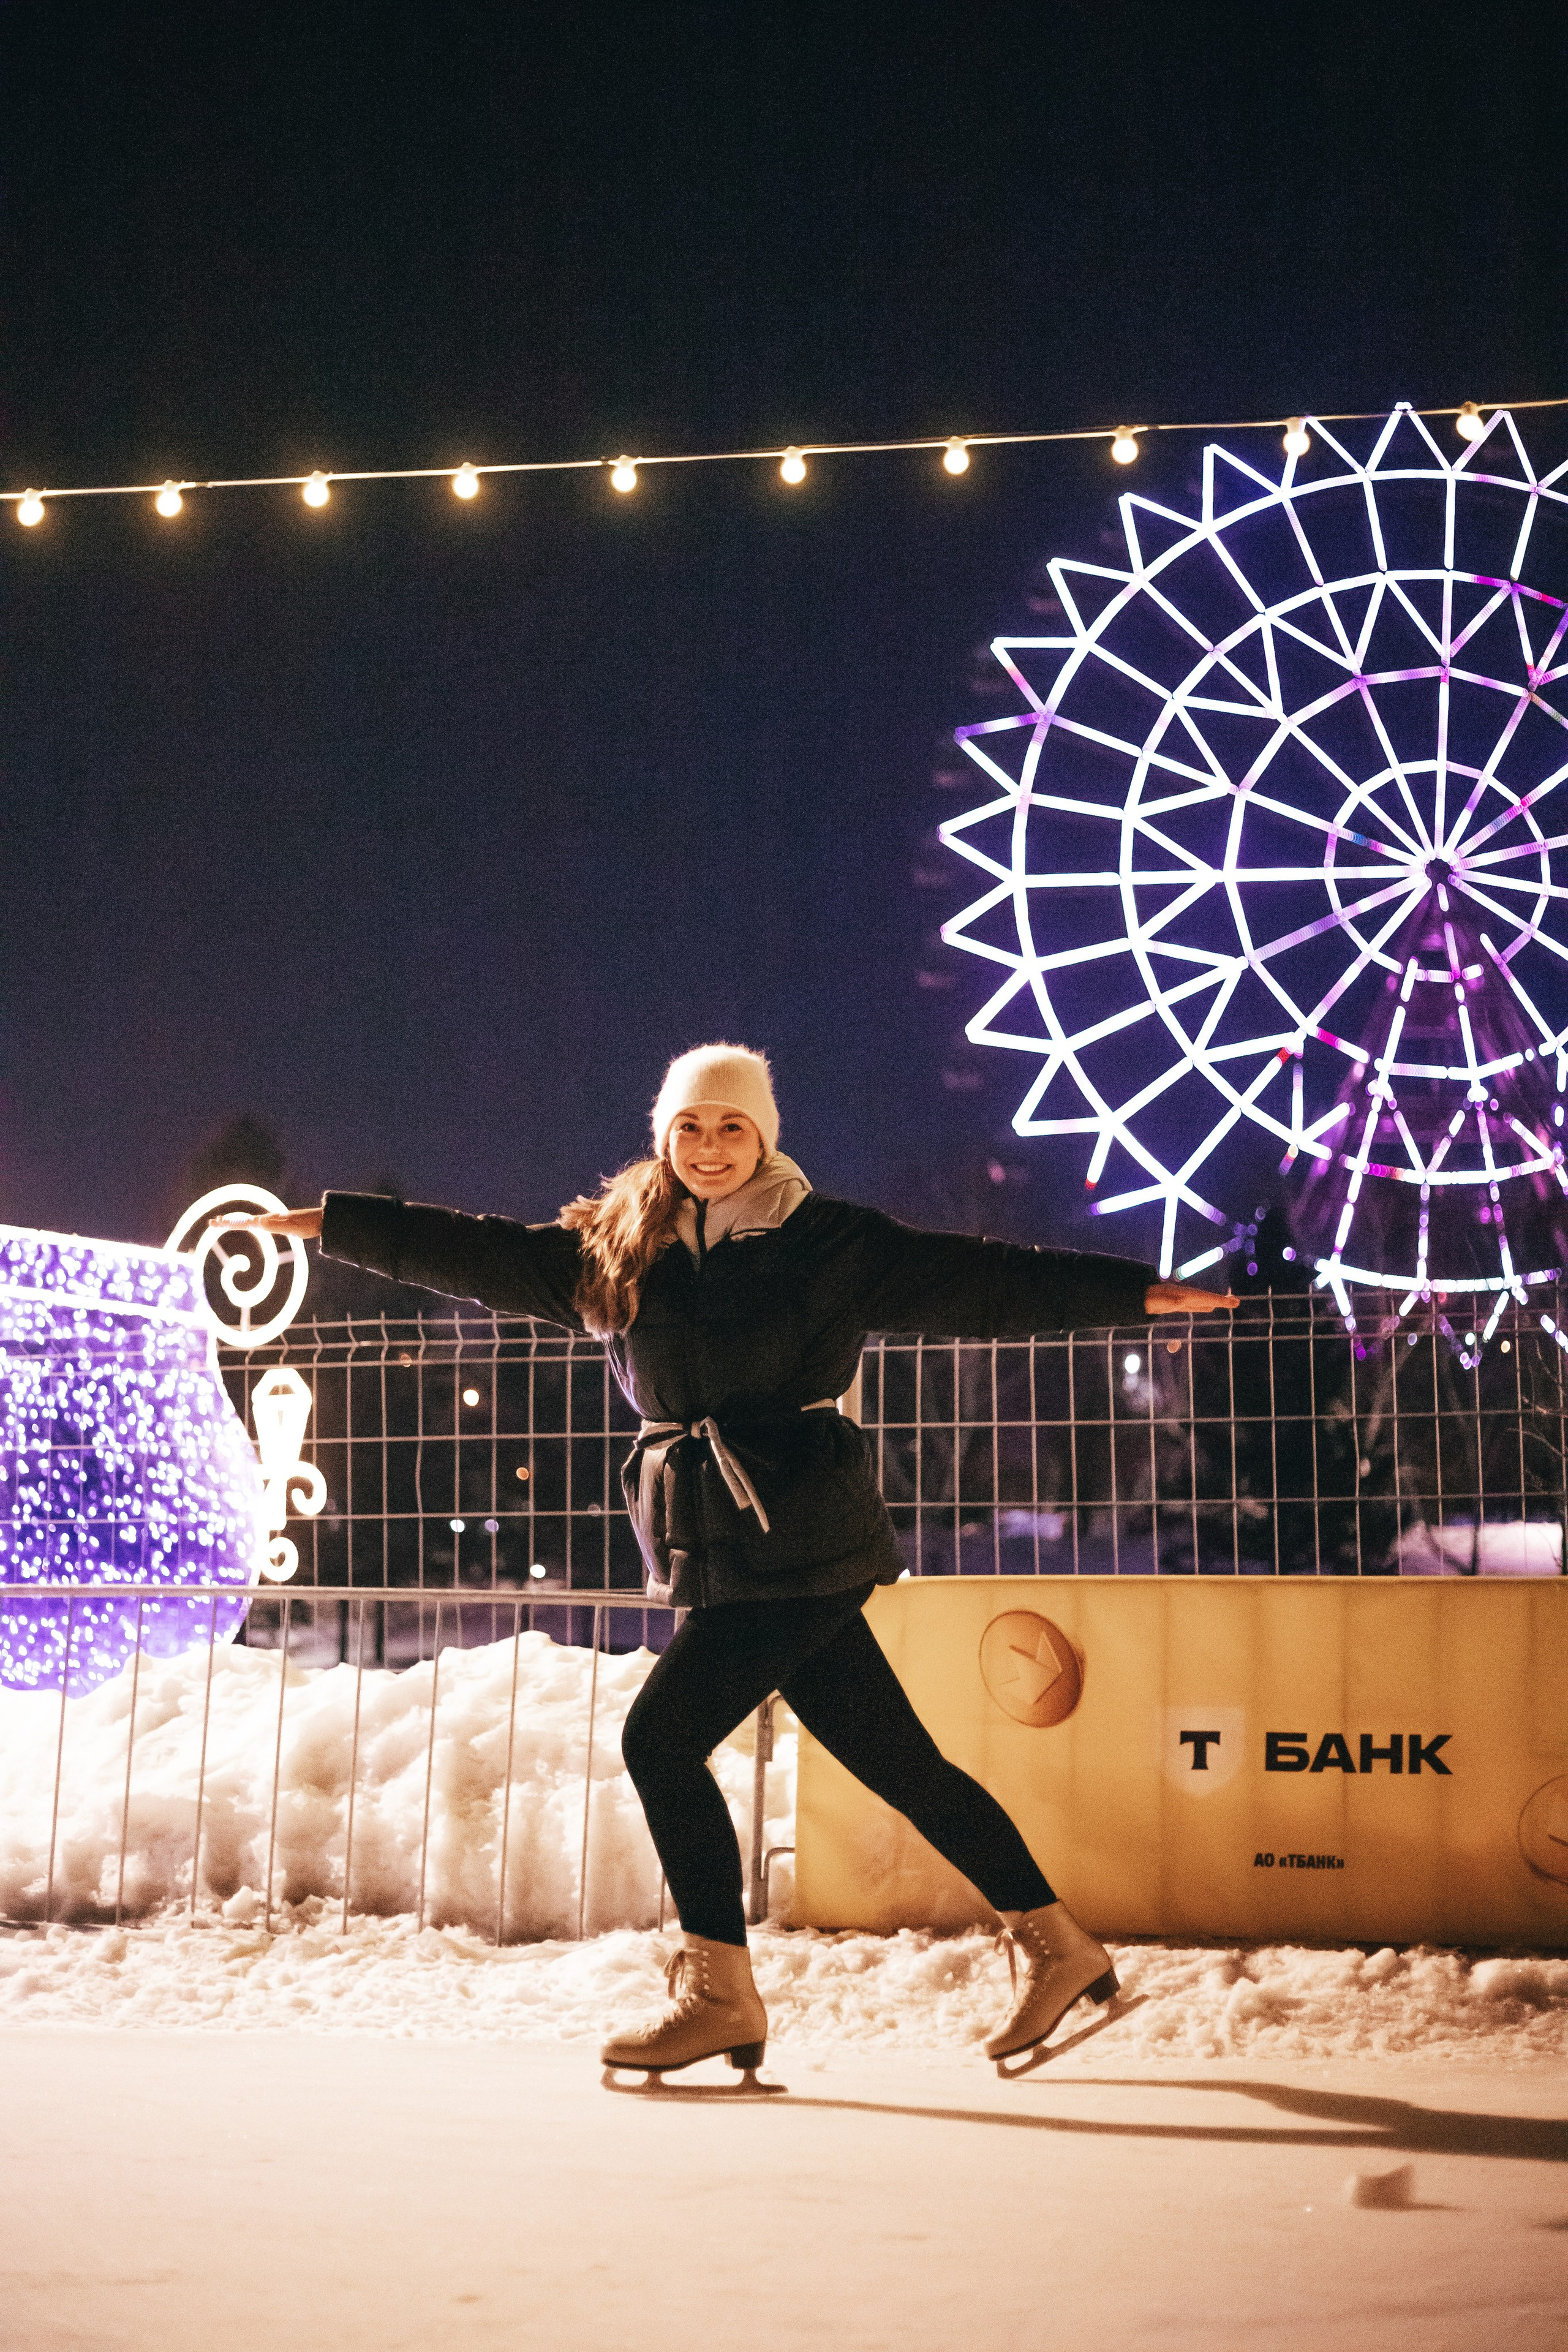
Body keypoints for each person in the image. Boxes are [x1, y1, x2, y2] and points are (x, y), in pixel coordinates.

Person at [237, 1042, 1235, 2080]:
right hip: (716, 1539)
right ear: (665, 1138)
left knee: (660, 1740)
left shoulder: (824, 1240)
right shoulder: (621, 1247)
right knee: (898, 1762)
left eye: (732, 1129)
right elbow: (480, 1253)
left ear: (764, 1137)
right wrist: (346, 1227)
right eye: (690, 1129)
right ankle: (1058, 1947)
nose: (710, 1148)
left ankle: (720, 1992)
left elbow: (977, 1281)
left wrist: (1134, 1294)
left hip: (801, 1529)